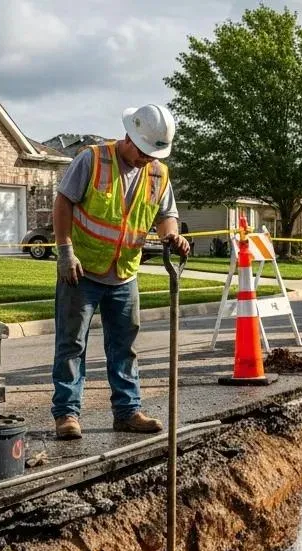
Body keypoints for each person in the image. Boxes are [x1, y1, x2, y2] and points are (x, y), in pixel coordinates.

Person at [50, 104, 191, 440]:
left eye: (153, 154)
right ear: (129, 136)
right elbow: (63, 202)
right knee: (72, 344)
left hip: (125, 272)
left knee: (124, 345)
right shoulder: (92, 159)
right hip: (81, 269)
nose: (147, 159)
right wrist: (65, 251)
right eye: (143, 152)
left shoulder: (158, 173)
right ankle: (67, 414)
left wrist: (171, 235)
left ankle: (127, 411)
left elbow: (164, 214)